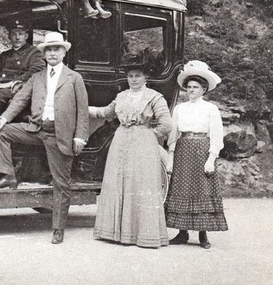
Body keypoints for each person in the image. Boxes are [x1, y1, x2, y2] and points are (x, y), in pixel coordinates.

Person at [0, 31, 90, 244]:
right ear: (44, 54)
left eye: (56, 49)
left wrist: (80, 138)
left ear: (63, 53)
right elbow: (20, 99)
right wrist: (3, 119)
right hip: (35, 129)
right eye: (49, 49)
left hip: (59, 136)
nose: (52, 53)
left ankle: (58, 228)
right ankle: (8, 175)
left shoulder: (74, 78)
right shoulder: (36, 77)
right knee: (0, 131)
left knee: (61, 184)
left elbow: (83, 110)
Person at [89, 57, 172, 248]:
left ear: (146, 77)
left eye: (138, 76)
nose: (134, 79)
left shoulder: (154, 97)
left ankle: (140, 234)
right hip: (120, 141)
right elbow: (105, 113)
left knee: (139, 182)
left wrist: (150, 134)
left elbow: (166, 124)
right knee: (117, 181)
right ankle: (115, 233)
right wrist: (81, 108)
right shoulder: (122, 96)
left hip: (143, 143)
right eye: (130, 76)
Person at [165, 60, 228, 249]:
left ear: (204, 90)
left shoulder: (210, 109)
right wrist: (170, 157)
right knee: (182, 188)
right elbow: (173, 134)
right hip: (183, 149)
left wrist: (211, 158)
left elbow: (216, 134)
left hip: (202, 149)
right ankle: (182, 233)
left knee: (202, 189)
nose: (191, 90)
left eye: (196, 87)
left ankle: (203, 234)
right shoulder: (179, 108)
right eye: (189, 87)